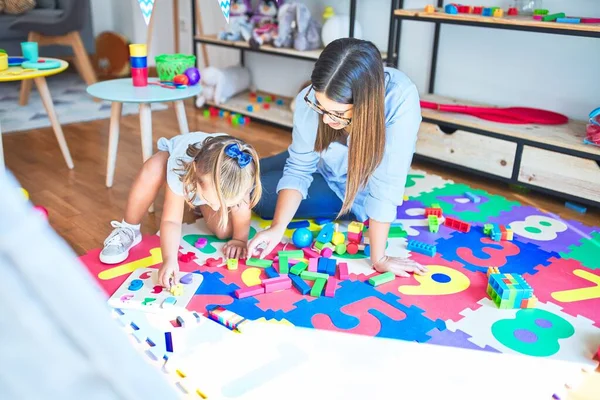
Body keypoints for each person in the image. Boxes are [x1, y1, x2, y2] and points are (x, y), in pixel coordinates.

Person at [249, 38, 427, 278]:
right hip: (322, 160)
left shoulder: (400, 100)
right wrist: (277, 228)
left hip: (347, 186)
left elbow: (386, 184)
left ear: (365, 105)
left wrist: (379, 258)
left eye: (338, 113)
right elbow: (299, 167)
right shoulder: (312, 98)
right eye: (321, 107)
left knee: (258, 195)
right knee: (248, 170)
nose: (325, 119)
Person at [98, 132, 262, 288]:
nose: (217, 209)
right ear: (196, 175)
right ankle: (129, 228)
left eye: (225, 205)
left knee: (223, 232)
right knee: (154, 167)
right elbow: (171, 221)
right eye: (213, 202)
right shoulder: (181, 169)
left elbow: (242, 210)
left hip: (210, 181)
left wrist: (240, 240)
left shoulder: (241, 174)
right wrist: (169, 259)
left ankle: (204, 201)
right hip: (180, 164)